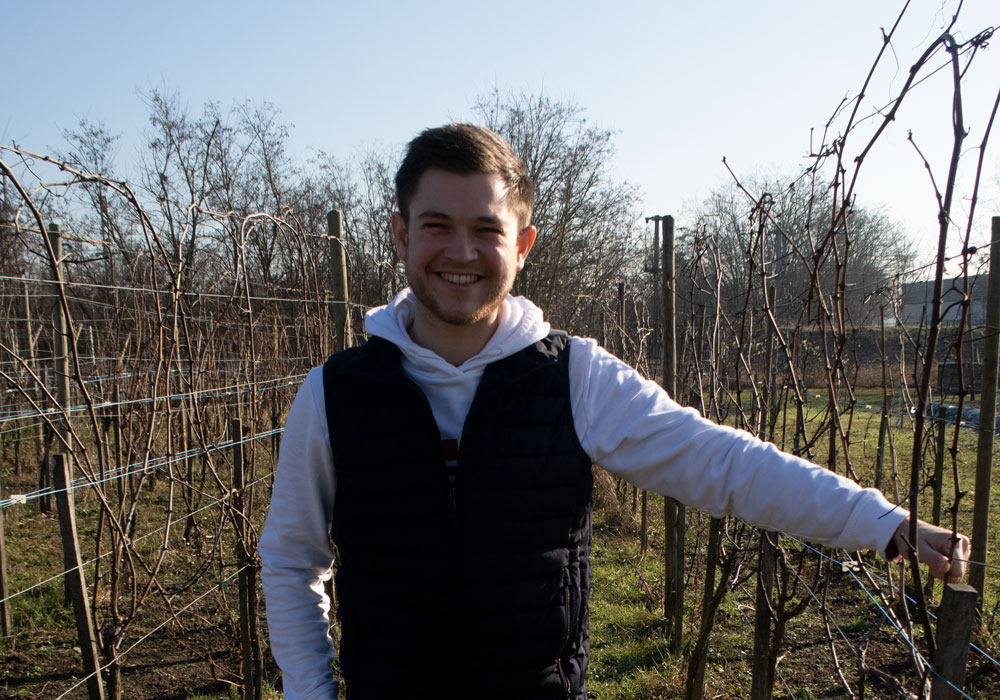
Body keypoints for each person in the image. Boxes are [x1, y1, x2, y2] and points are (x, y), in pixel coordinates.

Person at [259, 123, 970, 700]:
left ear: (523, 245)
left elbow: (721, 462)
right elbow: (293, 561)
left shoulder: (575, 377)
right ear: (400, 233)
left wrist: (880, 521)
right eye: (437, 225)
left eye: (487, 228)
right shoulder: (334, 392)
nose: (462, 251)